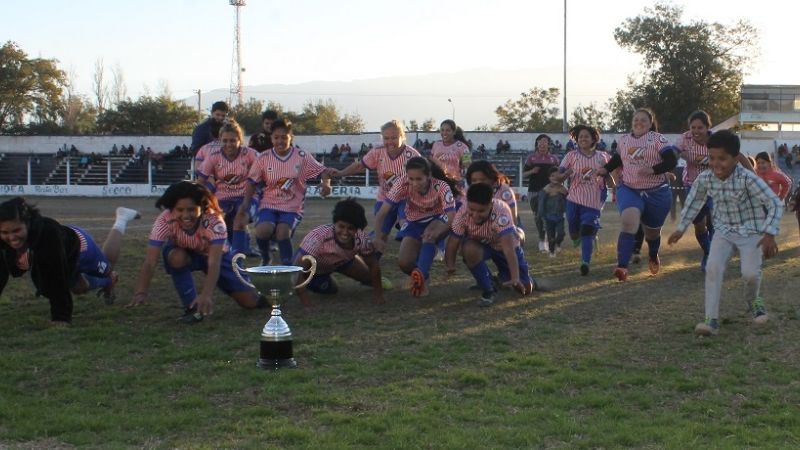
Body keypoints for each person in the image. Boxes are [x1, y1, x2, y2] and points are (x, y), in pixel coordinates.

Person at [668, 130, 782, 336]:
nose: (716, 163)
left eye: (722, 159)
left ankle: (754, 301)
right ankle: (711, 320)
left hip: (751, 232)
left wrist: (770, 233)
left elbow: (774, 203)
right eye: (712, 158)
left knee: (749, 274)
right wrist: (680, 228)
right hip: (723, 231)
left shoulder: (748, 179)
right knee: (713, 268)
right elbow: (694, 202)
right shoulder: (705, 179)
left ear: (735, 158)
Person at [130, 181, 267, 323]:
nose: (186, 215)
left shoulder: (214, 221)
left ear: (202, 207)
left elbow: (214, 262)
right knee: (176, 257)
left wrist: (206, 294)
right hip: (186, 252)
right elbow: (150, 261)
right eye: (180, 210)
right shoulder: (164, 220)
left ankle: (266, 295)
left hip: (217, 256)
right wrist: (141, 291)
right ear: (172, 209)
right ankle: (191, 308)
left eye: (191, 209)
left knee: (249, 302)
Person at [0, 198, 140, 324]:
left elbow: (57, 278)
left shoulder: (48, 234)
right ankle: (106, 280)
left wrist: (60, 317)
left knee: (107, 268)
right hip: (61, 254)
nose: (11, 237)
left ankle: (121, 219)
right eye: (5, 233)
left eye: (16, 230)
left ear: (28, 222)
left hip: (81, 248)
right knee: (80, 289)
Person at [595, 108, 678, 281]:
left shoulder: (657, 139)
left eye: (643, 120)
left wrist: (653, 169)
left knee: (652, 234)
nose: (639, 123)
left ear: (650, 124)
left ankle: (653, 254)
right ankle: (622, 266)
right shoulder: (624, 140)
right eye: (636, 120)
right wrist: (606, 169)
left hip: (657, 192)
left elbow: (672, 160)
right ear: (632, 122)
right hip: (629, 188)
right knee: (629, 222)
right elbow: (618, 159)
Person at [236, 119, 332, 266]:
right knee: (262, 231)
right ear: (271, 138)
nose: (280, 141)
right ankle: (266, 258)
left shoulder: (301, 156)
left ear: (291, 137)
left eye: (284, 137)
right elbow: (251, 182)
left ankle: (287, 266)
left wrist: (326, 184)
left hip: (292, 206)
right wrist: (246, 202)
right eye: (276, 137)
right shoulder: (263, 158)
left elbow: (323, 171)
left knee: (282, 232)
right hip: (269, 204)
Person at [675, 111, 752, 272]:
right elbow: (673, 151)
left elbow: (738, 156)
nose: (696, 131)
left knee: (715, 222)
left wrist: (753, 174)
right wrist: (677, 154)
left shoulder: (718, 139)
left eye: (700, 127)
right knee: (699, 225)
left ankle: (712, 258)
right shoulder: (684, 138)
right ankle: (708, 252)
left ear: (708, 127)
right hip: (693, 185)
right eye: (693, 127)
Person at [373, 157, 458, 297]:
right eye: (411, 179)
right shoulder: (401, 184)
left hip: (438, 218)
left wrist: (439, 232)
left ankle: (421, 277)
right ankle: (422, 277)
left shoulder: (441, 186)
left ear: (429, 176)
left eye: (419, 179)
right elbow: (382, 213)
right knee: (404, 262)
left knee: (429, 235)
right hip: (414, 222)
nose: (414, 183)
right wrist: (377, 238)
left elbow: (451, 216)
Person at [330, 120, 421, 243]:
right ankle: (371, 257)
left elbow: (423, 178)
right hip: (385, 197)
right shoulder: (377, 152)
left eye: (394, 138)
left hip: (407, 198)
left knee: (407, 227)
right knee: (381, 233)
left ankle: (410, 244)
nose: (389, 142)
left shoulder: (413, 156)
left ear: (402, 137)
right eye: (386, 138)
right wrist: (340, 173)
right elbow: (359, 166)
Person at [444, 183, 533, 307]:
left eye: (481, 211)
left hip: (504, 247)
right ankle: (488, 288)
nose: (475, 215)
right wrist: (450, 265)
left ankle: (507, 277)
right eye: (472, 209)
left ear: (491, 204)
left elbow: (508, 249)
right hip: (483, 246)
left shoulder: (501, 212)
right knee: (468, 249)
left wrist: (515, 277)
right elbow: (453, 241)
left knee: (526, 290)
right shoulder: (462, 212)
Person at [293, 198, 386, 307]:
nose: (345, 232)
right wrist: (307, 304)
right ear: (335, 223)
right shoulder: (318, 236)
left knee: (369, 277)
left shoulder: (361, 238)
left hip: (342, 262)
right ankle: (315, 283)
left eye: (350, 228)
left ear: (357, 229)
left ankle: (374, 278)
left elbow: (373, 265)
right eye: (341, 226)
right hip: (314, 270)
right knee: (331, 289)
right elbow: (297, 270)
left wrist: (378, 295)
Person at [196, 120, 258, 254]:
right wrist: (200, 202)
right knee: (216, 222)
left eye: (233, 140)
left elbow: (261, 176)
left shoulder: (251, 154)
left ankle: (237, 258)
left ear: (240, 140)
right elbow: (201, 181)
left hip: (247, 196)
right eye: (225, 141)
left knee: (239, 218)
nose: (229, 144)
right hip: (222, 198)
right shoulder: (213, 157)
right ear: (220, 140)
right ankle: (225, 251)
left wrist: (248, 201)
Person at [558, 125, 612, 274]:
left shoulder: (603, 157)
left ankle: (585, 263)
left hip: (593, 201)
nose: (583, 139)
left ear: (594, 138)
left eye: (586, 136)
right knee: (575, 232)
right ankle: (581, 238)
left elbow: (611, 180)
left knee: (587, 230)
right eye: (580, 136)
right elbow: (560, 173)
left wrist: (606, 174)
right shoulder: (571, 156)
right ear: (576, 139)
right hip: (573, 200)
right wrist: (561, 176)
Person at [522, 134, 560, 252]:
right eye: (540, 141)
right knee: (538, 216)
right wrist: (532, 171)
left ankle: (547, 239)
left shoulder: (554, 159)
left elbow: (558, 175)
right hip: (534, 191)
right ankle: (542, 239)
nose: (542, 144)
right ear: (537, 144)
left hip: (550, 191)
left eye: (545, 142)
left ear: (549, 144)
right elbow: (523, 174)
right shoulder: (531, 158)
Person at [465, 160, 518, 225]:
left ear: (492, 179)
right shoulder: (468, 191)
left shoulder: (504, 191)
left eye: (482, 180)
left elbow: (513, 220)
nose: (478, 183)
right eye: (474, 180)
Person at [431, 120, 471, 196]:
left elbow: (467, 165)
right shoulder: (436, 144)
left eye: (448, 130)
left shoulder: (463, 147)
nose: (444, 133)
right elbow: (432, 161)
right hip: (436, 184)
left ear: (454, 132)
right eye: (442, 130)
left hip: (454, 185)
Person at [538, 168, 567, 258]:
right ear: (549, 177)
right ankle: (552, 251)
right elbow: (541, 203)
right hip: (548, 217)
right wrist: (541, 216)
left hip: (560, 216)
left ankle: (558, 243)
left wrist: (566, 212)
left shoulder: (563, 189)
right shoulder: (545, 190)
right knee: (551, 236)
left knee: (561, 233)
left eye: (557, 176)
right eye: (552, 176)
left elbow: (567, 201)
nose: (555, 178)